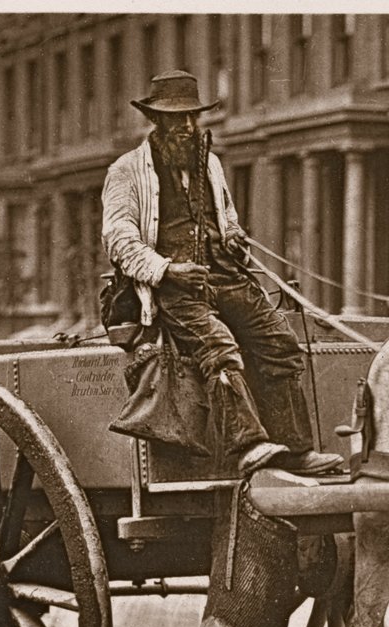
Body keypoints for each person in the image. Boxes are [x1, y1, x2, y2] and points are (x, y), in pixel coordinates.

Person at [101, 70, 342, 476]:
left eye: (193, 118)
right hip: (170, 291)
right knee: (219, 347)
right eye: (178, 119)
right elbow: (118, 239)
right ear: (156, 121)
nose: (188, 127)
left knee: (280, 342)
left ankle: (296, 451)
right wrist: (168, 270)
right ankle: (247, 445)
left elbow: (226, 218)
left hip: (225, 278)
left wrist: (232, 237)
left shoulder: (209, 163)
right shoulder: (127, 171)